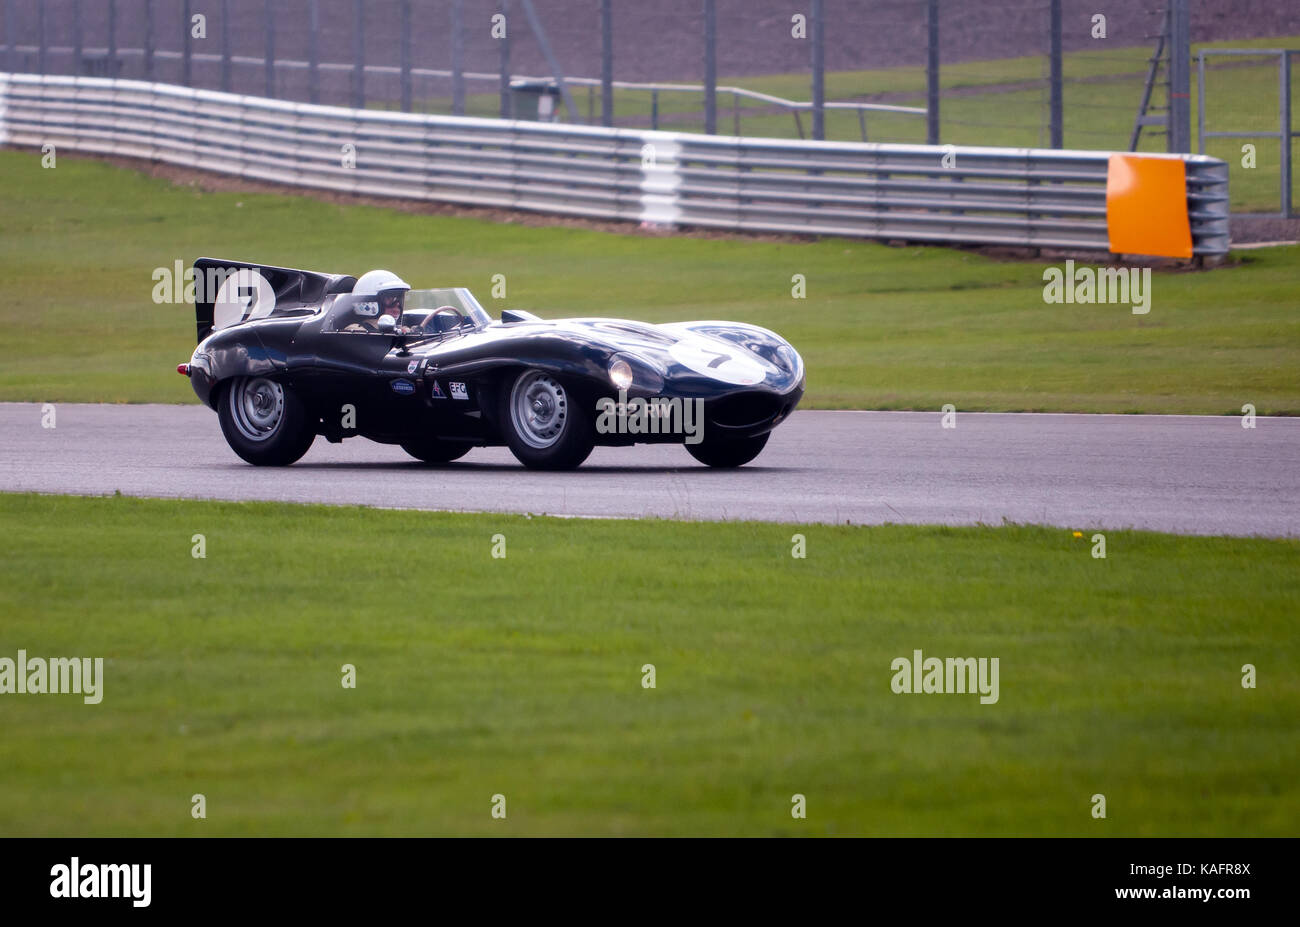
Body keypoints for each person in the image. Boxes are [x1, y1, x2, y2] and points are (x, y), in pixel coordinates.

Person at [344, 269, 411, 332]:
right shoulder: (355, 330)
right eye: (389, 298)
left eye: (398, 299)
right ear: (369, 301)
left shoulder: (401, 330)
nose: (397, 304)